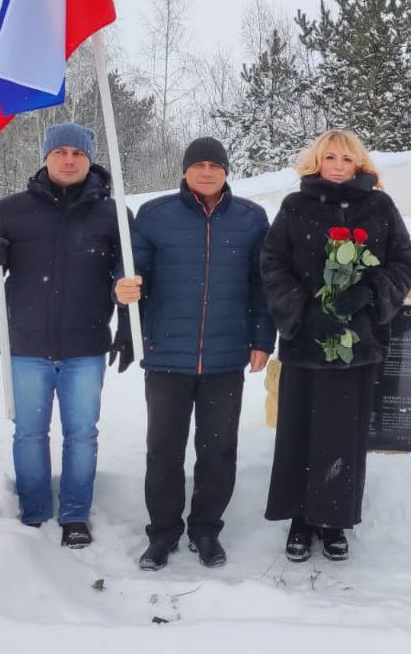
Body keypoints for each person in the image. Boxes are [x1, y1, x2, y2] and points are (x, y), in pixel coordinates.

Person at [0, 123, 131, 548]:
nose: (70, 159)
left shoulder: (113, 214)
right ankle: (34, 512)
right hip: (26, 346)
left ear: (90, 158)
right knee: (30, 433)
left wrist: (122, 293)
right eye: (61, 152)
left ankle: (75, 515)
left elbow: (124, 275)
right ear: (46, 157)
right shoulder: (11, 210)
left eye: (78, 151)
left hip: (85, 346)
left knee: (81, 434)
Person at [114, 137, 274, 571]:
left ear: (225, 171)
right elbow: (132, 271)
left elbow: (262, 285)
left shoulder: (251, 219)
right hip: (167, 355)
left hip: (225, 357)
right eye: (198, 164)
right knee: (163, 450)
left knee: (218, 450)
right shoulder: (155, 215)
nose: (206, 171)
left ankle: (206, 530)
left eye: (214, 165)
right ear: (185, 171)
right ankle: (162, 534)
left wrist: (262, 338)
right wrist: (123, 287)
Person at [260, 130, 411, 563]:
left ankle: (333, 521)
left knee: (342, 436)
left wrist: (368, 294)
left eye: (347, 159)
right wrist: (304, 309)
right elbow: (272, 263)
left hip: (357, 344)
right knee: (299, 433)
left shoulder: (379, 207)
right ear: (316, 161)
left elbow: (403, 261)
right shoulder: (295, 207)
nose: (338, 165)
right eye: (330, 157)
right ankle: (299, 519)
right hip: (305, 344)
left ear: (359, 165)